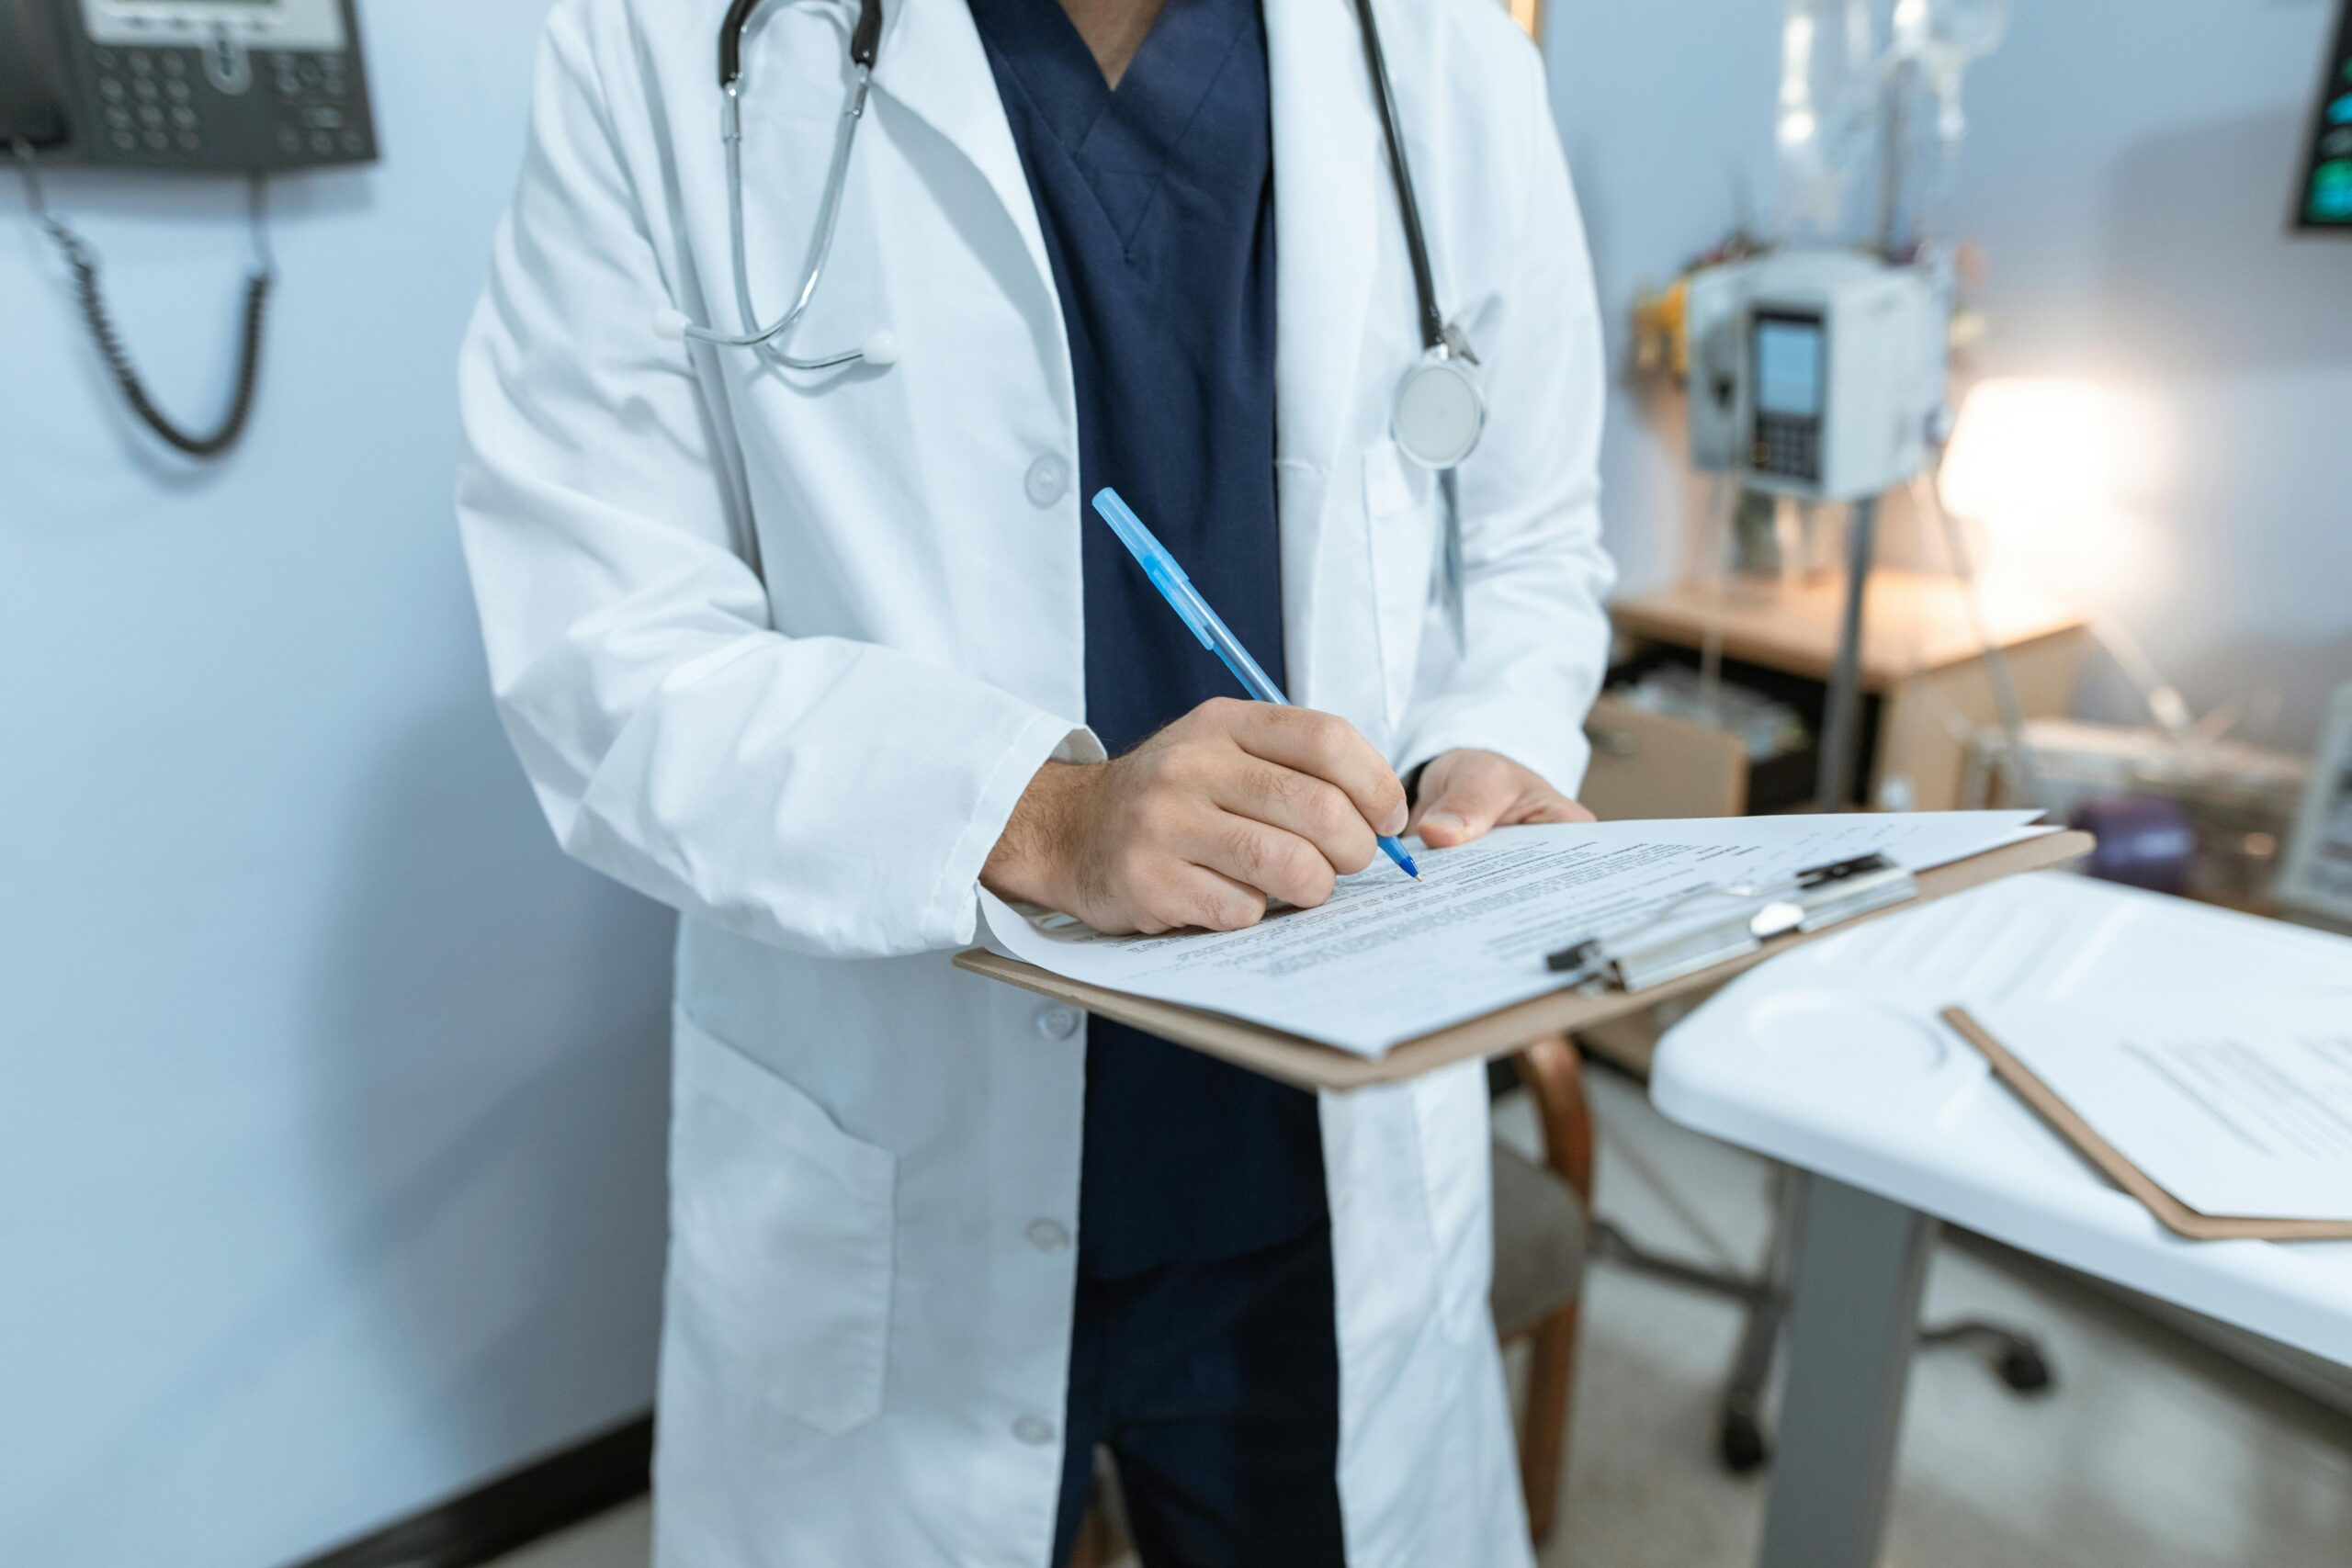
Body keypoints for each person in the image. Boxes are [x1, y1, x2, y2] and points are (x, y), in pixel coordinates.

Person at [455, 0, 1612, 1562]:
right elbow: (601, 645)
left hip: (1312, 1174)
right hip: (900, 1139)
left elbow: (1533, 541)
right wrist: (1041, 814)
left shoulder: (1436, 45)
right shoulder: (659, 42)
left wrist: (1490, 747)